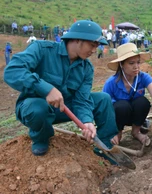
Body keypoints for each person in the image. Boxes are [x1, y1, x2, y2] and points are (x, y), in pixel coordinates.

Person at [3, 20, 119, 160]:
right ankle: (41, 138)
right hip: (36, 109)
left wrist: (87, 121)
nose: (94, 50)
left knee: (103, 99)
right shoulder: (41, 49)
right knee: (38, 108)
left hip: (65, 109)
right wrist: (46, 89)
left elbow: (82, 99)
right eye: (92, 45)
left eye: (97, 46)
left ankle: (105, 148)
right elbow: (12, 70)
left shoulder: (86, 68)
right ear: (77, 39)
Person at [103, 43, 152, 146]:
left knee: (143, 102)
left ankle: (136, 131)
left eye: (138, 62)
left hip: (136, 116)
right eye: (131, 63)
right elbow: (105, 108)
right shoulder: (111, 83)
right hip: (118, 117)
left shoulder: (143, 77)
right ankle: (117, 135)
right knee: (122, 106)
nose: (136, 67)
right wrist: (110, 131)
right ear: (121, 65)